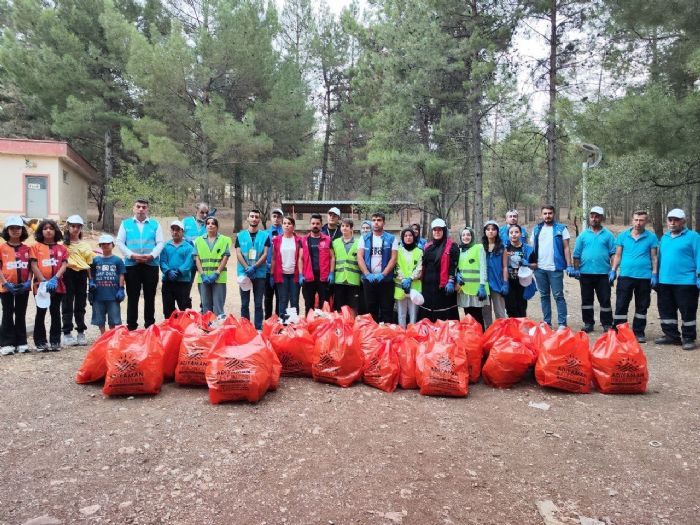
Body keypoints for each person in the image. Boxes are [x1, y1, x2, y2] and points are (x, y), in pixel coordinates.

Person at [116, 199, 164, 330]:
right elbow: (119, 242)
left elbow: (160, 243)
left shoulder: (155, 224)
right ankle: (132, 326)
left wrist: (152, 256)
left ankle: (149, 325)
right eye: (138, 206)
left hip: (151, 264)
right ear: (134, 208)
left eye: (144, 207)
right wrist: (131, 255)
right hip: (132, 265)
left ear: (147, 209)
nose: (141, 209)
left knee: (150, 296)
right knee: (132, 296)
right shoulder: (125, 224)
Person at [610, 210, 658, 343]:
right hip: (625, 276)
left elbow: (654, 257)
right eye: (636, 220)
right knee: (621, 304)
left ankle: (638, 332)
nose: (638, 223)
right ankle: (619, 330)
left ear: (646, 221)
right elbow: (618, 255)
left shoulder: (651, 237)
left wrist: (654, 274)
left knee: (642, 306)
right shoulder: (623, 236)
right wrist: (613, 270)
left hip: (644, 277)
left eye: (641, 220)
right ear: (632, 220)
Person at [655, 208, 700, 351]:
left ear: (683, 221)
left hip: (686, 281)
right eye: (670, 219)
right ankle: (671, 335)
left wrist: (699, 275)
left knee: (687, 310)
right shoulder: (665, 237)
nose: (672, 222)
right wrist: (656, 275)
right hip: (665, 281)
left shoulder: (694, 237)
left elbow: (699, 256)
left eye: (676, 220)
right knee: (666, 310)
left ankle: (688, 338)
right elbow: (660, 258)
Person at [571, 206, 616, 332]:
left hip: (603, 274)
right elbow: (576, 254)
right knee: (586, 300)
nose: (594, 218)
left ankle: (607, 323)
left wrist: (613, 269)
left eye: (597, 216)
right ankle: (588, 323)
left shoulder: (608, 235)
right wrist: (576, 269)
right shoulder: (583, 235)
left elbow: (613, 253)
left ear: (601, 218)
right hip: (585, 274)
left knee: (605, 300)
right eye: (592, 216)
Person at [532, 205, 574, 329]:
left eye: (550, 213)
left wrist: (569, 265)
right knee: (544, 296)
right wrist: (532, 264)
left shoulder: (561, 229)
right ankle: (547, 323)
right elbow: (532, 248)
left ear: (554, 214)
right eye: (545, 213)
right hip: (539, 269)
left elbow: (566, 248)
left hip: (555, 269)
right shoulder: (536, 229)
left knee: (558, 296)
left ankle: (562, 323)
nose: (547, 215)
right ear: (541, 215)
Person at [30, 219, 68, 351]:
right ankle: (40, 341)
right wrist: (44, 281)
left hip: (57, 284)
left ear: (55, 231)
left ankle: (55, 341)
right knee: (41, 312)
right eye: (45, 228)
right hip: (40, 286)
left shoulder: (62, 248)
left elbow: (64, 264)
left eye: (51, 228)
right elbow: (33, 265)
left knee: (55, 312)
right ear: (41, 231)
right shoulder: (35, 247)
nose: (48, 230)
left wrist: (55, 279)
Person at [357, 212, 398, 323]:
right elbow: (359, 257)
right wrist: (367, 274)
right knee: (370, 311)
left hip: (386, 281)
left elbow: (393, 258)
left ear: (383, 222)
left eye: (379, 220)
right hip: (369, 280)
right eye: (374, 220)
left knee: (387, 310)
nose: (376, 222)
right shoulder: (364, 238)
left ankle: (387, 337)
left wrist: (383, 274)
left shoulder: (392, 238)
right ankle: (372, 337)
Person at [0, 217, 32, 355]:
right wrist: (4, 282)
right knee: (7, 313)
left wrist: (28, 281)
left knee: (20, 313)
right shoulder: (2, 248)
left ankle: (21, 342)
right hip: (6, 286)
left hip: (23, 287)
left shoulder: (27, 248)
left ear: (22, 230)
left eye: (18, 228)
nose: (15, 231)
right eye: (12, 228)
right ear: (7, 230)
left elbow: (31, 266)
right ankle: (6, 343)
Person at [61, 215, 93, 347]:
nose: (75, 229)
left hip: (81, 275)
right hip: (67, 273)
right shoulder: (62, 245)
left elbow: (89, 263)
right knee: (67, 303)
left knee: (80, 303)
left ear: (81, 228)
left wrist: (91, 280)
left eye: (78, 226)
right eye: (73, 226)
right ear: (68, 227)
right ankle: (67, 332)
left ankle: (81, 331)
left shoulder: (85, 245)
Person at [418, 218, 459, 322]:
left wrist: (451, 280)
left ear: (444, 231)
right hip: (427, 286)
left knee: (443, 314)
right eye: (435, 230)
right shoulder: (427, 246)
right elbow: (423, 264)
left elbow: (454, 265)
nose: (437, 232)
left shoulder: (452, 246)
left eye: (439, 230)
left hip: (443, 286)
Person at [235, 209, 269, 329]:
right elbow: (238, 253)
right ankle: (245, 328)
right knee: (244, 303)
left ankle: (258, 328)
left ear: (259, 220)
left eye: (256, 217)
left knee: (258, 303)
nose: (254, 218)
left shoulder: (265, 236)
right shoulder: (240, 235)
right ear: (248, 218)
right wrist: (247, 268)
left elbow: (265, 254)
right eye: (252, 216)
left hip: (259, 274)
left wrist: (254, 267)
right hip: (244, 274)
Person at [298, 214, 334, 314]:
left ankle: (324, 328)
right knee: (309, 306)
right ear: (310, 224)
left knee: (324, 306)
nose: (315, 225)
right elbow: (300, 259)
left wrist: (331, 273)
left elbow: (332, 257)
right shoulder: (303, 240)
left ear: (321, 225)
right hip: (308, 277)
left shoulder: (327, 239)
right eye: (313, 223)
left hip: (323, 278)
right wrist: (301, 275)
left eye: (317, 223)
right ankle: (309, 328)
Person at [90, 235, 126, 334]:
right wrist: (91, 282)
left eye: (108, 243)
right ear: (100, 246)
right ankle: (103, 335)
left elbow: (121, 274)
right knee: (99, 318)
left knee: (113, 317)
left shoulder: (117, 260)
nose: (105, 245)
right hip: (98, 294)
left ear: (113, 245)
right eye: (103, 244)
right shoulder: (95, 260)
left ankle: (111, 334)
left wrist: (121, 288)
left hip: (113, 294)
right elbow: (91, 273)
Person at [196, 217, 231, 317]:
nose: (210, 225)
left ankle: (218, 330)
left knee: (218, 307)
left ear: (217, 226)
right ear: (205, 226)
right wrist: (202, 274)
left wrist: (217, 273)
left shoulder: (224, 240)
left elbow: (225, 257)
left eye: (213, 223)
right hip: (203, 278)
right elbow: (197, 258)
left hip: (219, 278)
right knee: (206, 306)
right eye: (208, 223)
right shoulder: (198, 240)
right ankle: (207, 329)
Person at [160, 220, 195, 319]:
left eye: (178, 230)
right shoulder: (165, 246)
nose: (175, 232)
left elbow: (189, 263)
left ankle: (185, 330)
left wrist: (178, 272)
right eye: (173, 229)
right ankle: (171, 330)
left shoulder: (188, 247)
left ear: (182, 231)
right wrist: (168, 272)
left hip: (183, 282)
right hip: (168, 281)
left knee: (184, 309)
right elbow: (162, 261)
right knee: (168, 310)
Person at [455, 227, 489, 329]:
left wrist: (482, 285)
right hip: (464, 289)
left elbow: (483, 267)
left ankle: (480, 338)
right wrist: (457, 274)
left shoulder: (479, 247)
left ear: (472, 236)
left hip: (477, 290)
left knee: (477, 316)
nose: (466, 237)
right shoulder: (459, 250)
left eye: (468, 235)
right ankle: (471, 339)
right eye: (463, 235)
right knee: (467, 316)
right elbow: (457, 266)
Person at [271, 216, 302, 317]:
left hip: (295, 275)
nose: (286, 225)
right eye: (284, 223)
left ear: (293, 226)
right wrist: (272, 275)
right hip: (282, 275)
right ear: (282, 225)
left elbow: (301, 258)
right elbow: (274, 258)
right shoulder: (276, 240)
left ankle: (294, 324)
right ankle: (282, 324)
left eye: (289, 223)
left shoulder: (299, 240)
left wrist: (302, 274)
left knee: (294, 300)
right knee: (283, 300)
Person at [505, 224, 537, 318]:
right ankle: (513, 327)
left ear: (520, 234)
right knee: (510, 307)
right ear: (508, 235)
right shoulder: (505, 248)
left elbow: (535, 265)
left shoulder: (528, 249)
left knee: (521, 307)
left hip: (523, 282)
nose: (514, 234)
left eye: (516, 232)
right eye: (511, 232)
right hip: (509, 282)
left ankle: (521, 327)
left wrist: (528, 264)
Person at [482, 220, 508, 328]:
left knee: (500, 312)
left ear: (497, 231)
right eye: (488, 229)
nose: (491, 231)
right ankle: (488, 334)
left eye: (493, 229)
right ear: (485, 232)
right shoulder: (481, 247)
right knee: (486, 313)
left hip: (498, 283)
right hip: (484, 284)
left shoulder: (502, 247)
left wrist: (505, 283)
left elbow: (505, 266)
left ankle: (502, 334)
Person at [394, 227, 422, 327]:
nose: (408, 237)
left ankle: (412, 335)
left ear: (414, 237)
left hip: (414, 287)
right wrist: (404, 279)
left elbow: (419, 268)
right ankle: (402, 334)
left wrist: (410, 279)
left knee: (413, 314)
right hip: (401, 287)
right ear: (402, 238)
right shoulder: (398, 252)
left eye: (410, 235)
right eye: (405, 236)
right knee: (401, 314)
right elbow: (396, 267)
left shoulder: (419, 251)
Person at [332, 218, 361, 314]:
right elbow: (332, 259)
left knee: (353, 306)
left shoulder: (358, 243)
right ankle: (341, 327)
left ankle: (352, 327)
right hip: (339, 279)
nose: (344, 228)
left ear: (351, 228)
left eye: (347, 226)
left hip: (353, 280)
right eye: (343, 226)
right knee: (340, 306)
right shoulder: (335, 242)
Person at [265, 208, 284, 319]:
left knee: (280, 297)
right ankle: (267, 320)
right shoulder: (265, 234)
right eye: (274, 216)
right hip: (267, 271)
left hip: (280, 271)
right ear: (271, 218)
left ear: (282, 218)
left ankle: (278, 321)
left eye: (278, 216)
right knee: (268, 297)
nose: (276, 219)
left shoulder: (285, 233)